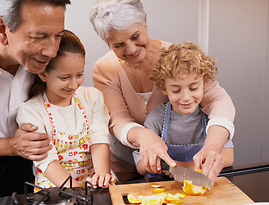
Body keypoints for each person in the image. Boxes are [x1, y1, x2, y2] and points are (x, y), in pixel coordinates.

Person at [89, 0, 235, 180]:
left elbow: (219, 101)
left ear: (144, 19)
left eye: (135, 36)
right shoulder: (104, 69)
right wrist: (145, 136)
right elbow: (117, 120)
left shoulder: (176, 58)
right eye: (119, 45)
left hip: (173, 168)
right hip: (127, 161)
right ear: (106, 41)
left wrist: (212, 147)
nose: (131, 49)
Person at [0, 0, 71, 197]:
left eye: (57, 36)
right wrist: (10, 145)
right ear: (2, 29)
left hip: (28, 160)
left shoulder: (48, 54)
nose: (52, 51)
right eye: (39, 37)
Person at [17, 30, 116, 190]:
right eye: (64, 78)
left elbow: (98, 139)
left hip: (92, 185)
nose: (73, 84)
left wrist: (102, 176)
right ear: (43, 74)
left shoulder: (92, 97)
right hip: (54, 189)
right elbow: (47, 161)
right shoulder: (31, 110)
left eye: (79, 74)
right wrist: (78, 192)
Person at [133, 42, 234, 183]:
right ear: (164, 88)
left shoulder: (208, 115)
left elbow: (229, 155)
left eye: (193, 88)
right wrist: (156, 164)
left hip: (203, 182)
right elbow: (140, 164)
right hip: (163, 187)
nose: (186, 97)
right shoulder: (156, 118)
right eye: (176, 90)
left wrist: (188, 167)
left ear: (204, 83)